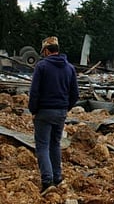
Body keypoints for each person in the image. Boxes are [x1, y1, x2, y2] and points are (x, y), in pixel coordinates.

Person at [28, 36, 79, 195]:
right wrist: (65, 108)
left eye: (43, 52)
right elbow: (75, 93)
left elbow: (34, 92)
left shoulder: (41, 66)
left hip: (44, 112)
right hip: (61, 112)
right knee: (55, 145)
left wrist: (33, 110)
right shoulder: (69, 68)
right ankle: (57, 178)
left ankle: (47, 181)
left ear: (46, 50)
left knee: (42, 146)